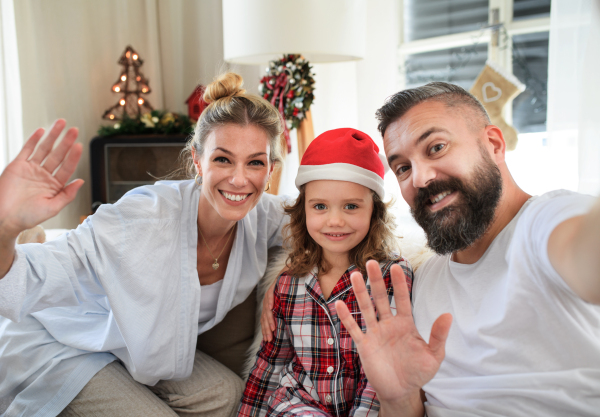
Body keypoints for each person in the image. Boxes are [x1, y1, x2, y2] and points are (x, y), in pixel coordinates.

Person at [0, 72, 288, 417]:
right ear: (197, 161)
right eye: (223, 159)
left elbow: (327, 223)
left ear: (270, 169)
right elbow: (23, 283)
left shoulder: (265, 217)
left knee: (226, 395)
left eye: (254, 162)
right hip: (63, 342)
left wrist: (285, 273)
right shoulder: (140, 220)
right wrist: (6, 226)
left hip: (136, 350)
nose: (239, 179)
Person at [334, 82, 600, 416]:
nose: (419, 178)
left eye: (436, 147)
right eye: (402, 167)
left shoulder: (543, 223)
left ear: (493, 144)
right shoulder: (421, 280)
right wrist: (397, 395)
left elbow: (583, 253)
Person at [238, 128, 414, 417]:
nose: (335, 220)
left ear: (374, 211)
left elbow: (381, 377)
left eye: (351, 206)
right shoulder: (288, 282)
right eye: (320, 206)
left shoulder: (391, 275)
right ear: (303, 211)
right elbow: (271, 362)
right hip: (296, 405)